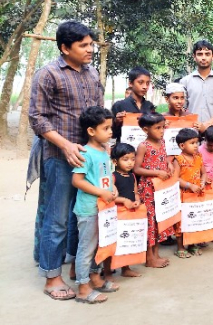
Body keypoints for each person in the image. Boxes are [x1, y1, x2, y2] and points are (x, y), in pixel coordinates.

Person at [29, 21, 104, 300]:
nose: (90, 49)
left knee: (82, 215)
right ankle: (52, 277)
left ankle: (79, 269)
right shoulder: (47, 74)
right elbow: (37, 118)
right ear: (64, 48)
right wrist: (65, 145)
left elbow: (97, 112)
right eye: (83, 45)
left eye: (90, 44)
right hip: (59, 157)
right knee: (57, 218)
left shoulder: (92, 73)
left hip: (88, 157)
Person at [71, 106, 120, 304]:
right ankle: (83, 288)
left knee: (100, 245)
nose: (110, 132)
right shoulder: (86, 153)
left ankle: (95, 277)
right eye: (106, 128)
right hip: (89, 209)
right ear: (91, 131)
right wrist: (101, 192)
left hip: (104, 208)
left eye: (111, 128)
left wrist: (114, 188)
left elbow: (107, 176)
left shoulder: (105, 151)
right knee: (87, 247)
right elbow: (77, 180)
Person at [133, 112, 173, 268]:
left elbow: (164, 157)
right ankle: (149, 257)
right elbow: (137, 169)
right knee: (150, 222)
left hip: (161, 189)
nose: (162, 131)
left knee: (159, 220)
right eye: (157, 128)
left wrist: (168, 165)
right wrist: (157, 172)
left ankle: (156, 254)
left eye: (163, 127)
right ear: (145, 130)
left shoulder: (162, 142)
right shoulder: (144, 146)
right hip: (148, 189)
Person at [106, 143, 142, 279]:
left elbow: (135, 191)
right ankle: (108, 271)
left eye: (133, 159)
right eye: (125, 159)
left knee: (126, 241)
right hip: (117, 214)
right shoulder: (113, 177)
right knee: (113, 243)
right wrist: (123, 201)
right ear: (115, 161)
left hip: (129, 214)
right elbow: (109, 197)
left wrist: (137, 200)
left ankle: (126, 268)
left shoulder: (132, 176)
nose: (130, 163)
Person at [180, 40, 213, 133]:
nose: (203, 58)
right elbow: (182, 108)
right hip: (191, 132)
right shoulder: (185, 81)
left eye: (207, 54)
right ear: (194, 57)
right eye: (200, 54)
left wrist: (210, 123)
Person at [172, 128, 208, 258]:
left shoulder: (198, 157)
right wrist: (189, 185)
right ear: (182, 145)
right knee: (181, 222)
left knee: (194, 220)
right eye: (192, 143)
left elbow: (203, 173)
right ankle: (180, 247)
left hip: (195, 194)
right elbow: (175, 178)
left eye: (197, 142)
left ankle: (192, 244)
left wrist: (202, 182)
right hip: (182, 195)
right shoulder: (178, 159)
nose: (196, 146)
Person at [111, 67, 155, 140]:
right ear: (131, 83)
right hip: (125, 149)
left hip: (145, 149)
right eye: (140, 82)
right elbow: (112, 134)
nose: (145, 87)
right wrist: (117, 122)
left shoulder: (149, 106)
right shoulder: (119, 105)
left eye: (147, 83)